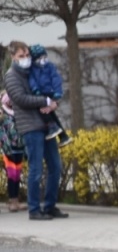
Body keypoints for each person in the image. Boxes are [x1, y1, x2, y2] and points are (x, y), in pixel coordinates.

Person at [5, 39, 66, 220]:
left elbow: (49, 88)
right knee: (36, 169)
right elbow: (21, 98)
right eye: (21, 56)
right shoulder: (11, 76)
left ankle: (50, 206)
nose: (25, 59)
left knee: (55, 166)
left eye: (27, 55)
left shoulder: (33, 70)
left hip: (46, 124)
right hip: (30, 126)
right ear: (13, 57)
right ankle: (34, 209)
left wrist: (53, 102)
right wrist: (45, 101)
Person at [25, 45, 68, 144]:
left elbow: (56, 79)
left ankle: (52, 126)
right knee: (50, 113)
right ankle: (63, 135)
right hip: (40, 93)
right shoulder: (32, 69)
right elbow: (32, 80)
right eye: (40, 58)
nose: (43, 60)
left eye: (44, 57)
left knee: (44, 110)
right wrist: (35, 89)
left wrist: (57, 93)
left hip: (48, 92)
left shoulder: (50, 66)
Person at [1, 91, 22, 212]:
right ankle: (12, 200)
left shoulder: (18, 113)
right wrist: (6, 146)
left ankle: (16, 200)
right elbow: (2, 132)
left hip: (19, 148)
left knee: (17, 174)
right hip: (9, 149)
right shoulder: (3, 114)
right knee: (12, 174)